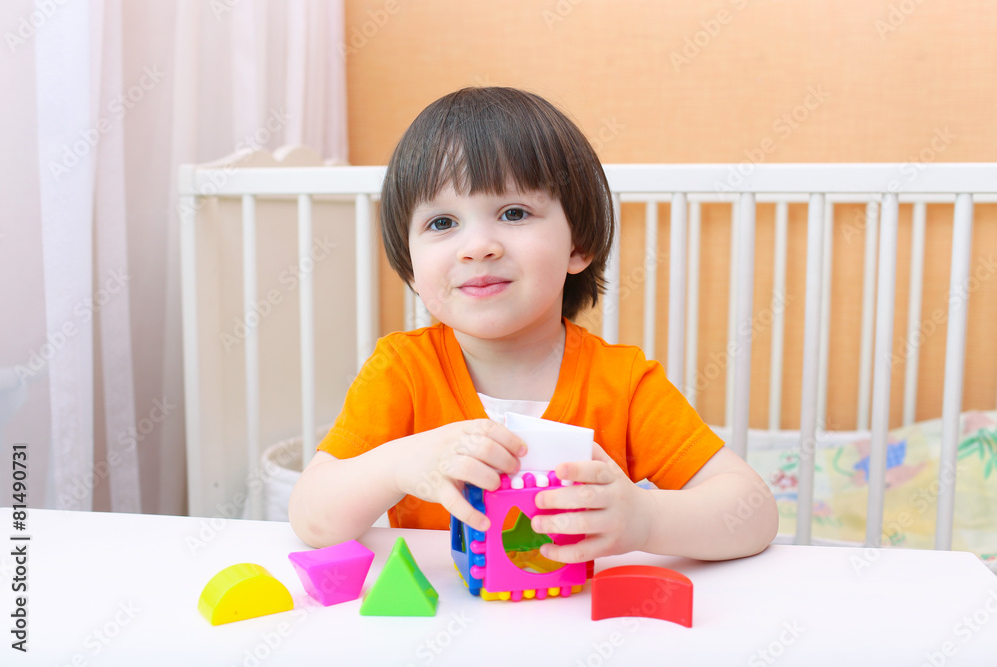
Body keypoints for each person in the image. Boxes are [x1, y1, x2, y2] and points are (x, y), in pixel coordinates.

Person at [289, 87, 778, 563]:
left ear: (578, 245)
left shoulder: (623, 384)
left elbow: (754, 511)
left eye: (514, 212)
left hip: (579, 615)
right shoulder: (402, 371)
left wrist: (646, 519)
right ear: (412, 266)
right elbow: (310, 516)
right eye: (442, 223)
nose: (477, 247)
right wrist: (398, 465)